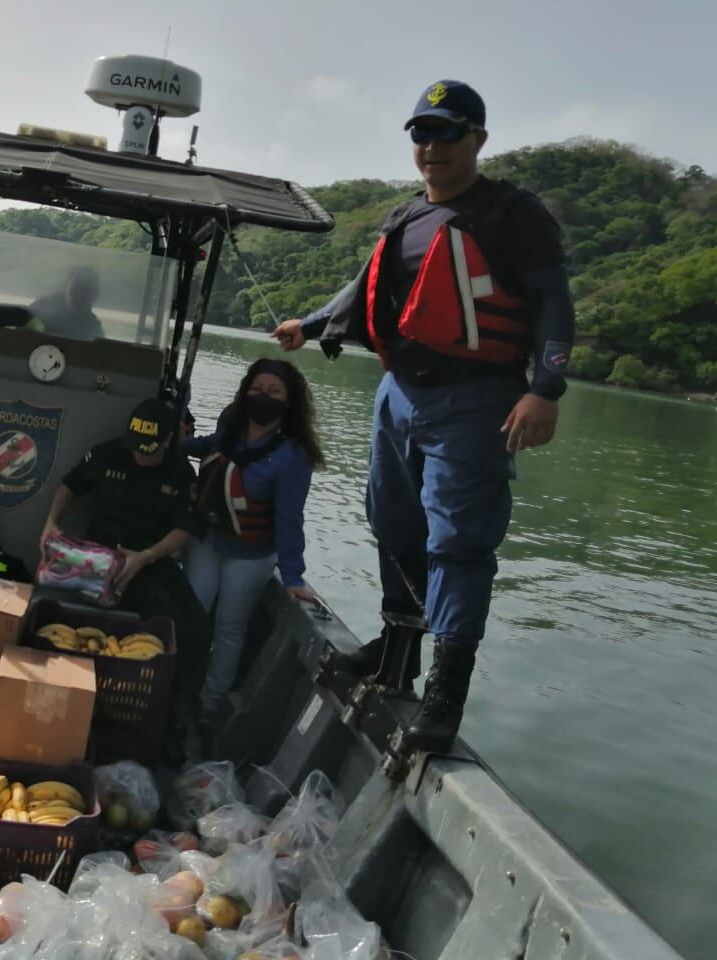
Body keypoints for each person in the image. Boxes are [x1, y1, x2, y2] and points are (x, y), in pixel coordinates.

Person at [271, 80, 575, 753]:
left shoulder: (511, 213)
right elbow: (366, 290)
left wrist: (547, 386)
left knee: (458, 544)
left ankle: (444, 697)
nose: (431, 147)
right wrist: (310, 322)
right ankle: (397, 651)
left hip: (477, 400)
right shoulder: (406, 218)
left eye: (446, 133)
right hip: (399, 393)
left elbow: (554, 300)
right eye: (421, 133)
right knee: (392, 522)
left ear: (478, 140)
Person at [39, 398, 210, 705]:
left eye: (148, 450)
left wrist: (146, 556)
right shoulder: (107, 454)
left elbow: (184, 529)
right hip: (106, 561)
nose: (139, 456)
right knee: (171, 622)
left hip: (151, 556)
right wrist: (52, 521)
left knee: (197, 626)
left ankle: (181, 705)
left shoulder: (180, 473)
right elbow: (70, 485)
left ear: (168, 440)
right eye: (135, 446)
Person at [183, 358, 324, 722]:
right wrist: (171, 442)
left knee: (230, 626)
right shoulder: (230, 425)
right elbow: (208, 447)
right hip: (209, 538)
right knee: (191, 611)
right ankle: (176, 685)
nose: (264, 397)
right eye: (257, 390)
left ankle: (208, 704)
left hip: (251, 552)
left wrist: (293, 577)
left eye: (274, 392)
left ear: (289, 401)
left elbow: (290, 519)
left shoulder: (293, 456)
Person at [28, 266, 105, 340]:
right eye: (76, 288)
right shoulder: (41, 307)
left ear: (95, 295)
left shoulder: (93, 327)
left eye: (86, 290)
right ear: (65, 288)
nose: (79, 294)